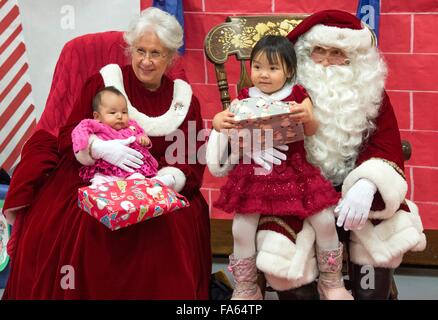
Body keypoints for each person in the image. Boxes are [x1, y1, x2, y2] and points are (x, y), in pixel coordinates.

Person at [1, 7, 211, 299]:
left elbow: (192, 158)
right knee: (85, 222)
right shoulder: (104, 82)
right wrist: (99, 148)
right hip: (95, 175)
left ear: (171, 57)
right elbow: (69, 132)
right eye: (140, 50)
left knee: (167, 226)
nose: (146, 61)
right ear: (130, 49)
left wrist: (165, 181)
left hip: (154, 185)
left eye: (156, 53)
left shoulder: (184, 100)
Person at [253, 10, 426, 300]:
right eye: (319, 51)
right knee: (284, 247)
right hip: (297, 192)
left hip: (351, 193)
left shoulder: (371, 95)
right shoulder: (281, 95)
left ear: (354, 60)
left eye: (338, 53)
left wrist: (368, 184)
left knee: (378, 233)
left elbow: (388, 145)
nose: (327, 61)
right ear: (305, 54)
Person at [207, 35, 353, 300]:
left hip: (294, 171)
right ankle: (246, 286)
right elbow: (224, 122)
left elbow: (312, 128)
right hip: (256, 171)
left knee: (324, 220)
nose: (264, 74)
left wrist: (307, 117)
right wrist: (219, 119)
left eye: (273, 68)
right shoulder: (244, 96)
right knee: (241, 227)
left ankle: (331, 280)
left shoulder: (297, 95)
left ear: (289, 71)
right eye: (258, 66)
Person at [72, 86, 174, 188]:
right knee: (100, 182)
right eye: (113, 113)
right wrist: (82, 143)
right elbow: (81, 129)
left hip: (130, 169)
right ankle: (101, 196)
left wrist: (143, 139)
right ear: (97, 116)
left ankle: (152, 185)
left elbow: (140, 133)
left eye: (124, 112)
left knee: (138, 178)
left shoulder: (131, 126)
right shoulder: (98, 126)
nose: (120, 116)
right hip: (108, 171)